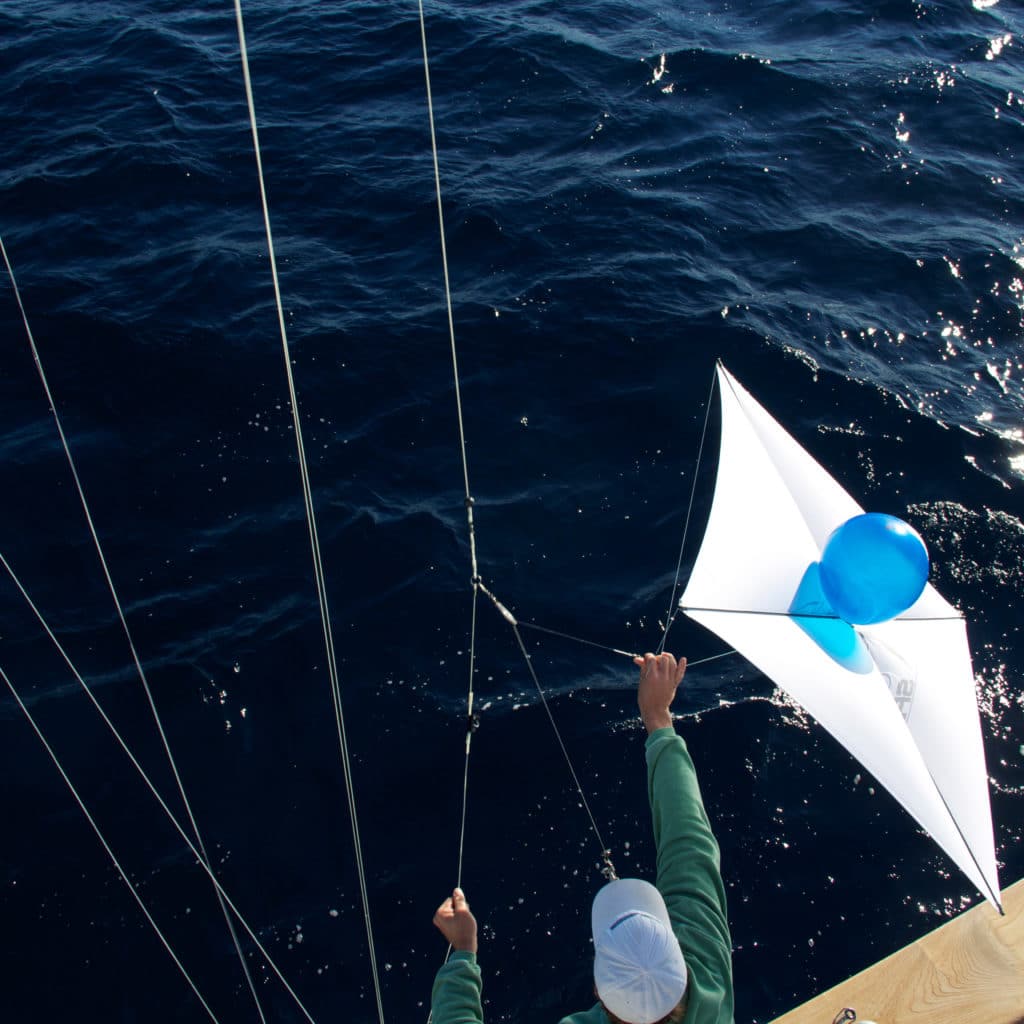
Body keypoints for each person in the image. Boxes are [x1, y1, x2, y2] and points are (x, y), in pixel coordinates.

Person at [430, 651, 734, 1024]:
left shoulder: (705, 962)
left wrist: (462, 953)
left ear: (597, 990)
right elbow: (690, 842)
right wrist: (658, 719)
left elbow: (690, 841)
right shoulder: (709, 973)